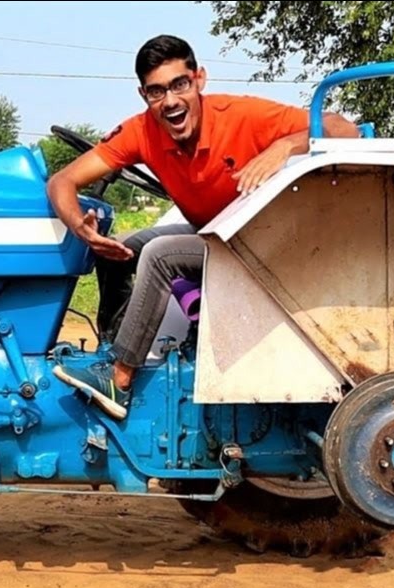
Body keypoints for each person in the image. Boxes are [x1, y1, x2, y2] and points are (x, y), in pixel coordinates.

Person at [46, 34, 361, 421]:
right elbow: (61, 182)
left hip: (264, 247)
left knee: (161, 256)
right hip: (215, 238)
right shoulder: (142, 131)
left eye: (180, 84)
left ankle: (118, 379)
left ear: (199, 80)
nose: (171, 101)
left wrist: (282, 148)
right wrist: (80, 226)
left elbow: (344, 129)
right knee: (121, 249)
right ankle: (114, 352)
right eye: (157, 91)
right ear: (144, 96)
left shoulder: (241, 116)